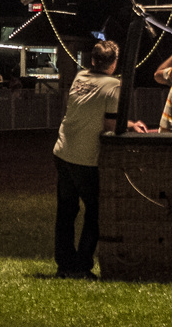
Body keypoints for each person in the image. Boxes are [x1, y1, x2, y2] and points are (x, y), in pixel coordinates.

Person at [53, 40, 146, 279]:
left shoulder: (80, 77)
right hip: (86, 156)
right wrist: (133, 125)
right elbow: (111, 124)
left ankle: (65, 264)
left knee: (66, 211)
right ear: (114, 63)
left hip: (63, 150)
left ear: (92, 60)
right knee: (95, 212)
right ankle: (82, 265)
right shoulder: (114, 86)